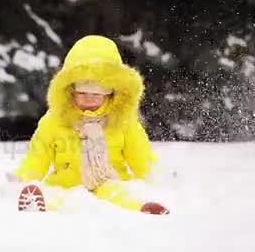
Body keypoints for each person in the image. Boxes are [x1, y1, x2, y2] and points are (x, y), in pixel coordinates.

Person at [11, 35, 169, 215]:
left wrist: (153, 179)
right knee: (57, 196)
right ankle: (37, 204)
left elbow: (141, 156)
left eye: (96, 95)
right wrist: (25, 179)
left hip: (108, 181)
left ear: (110, 94)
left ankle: (143, 207)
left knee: (119, 195)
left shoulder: (122, 121)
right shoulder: (55, 120)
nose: (88, 100)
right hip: (67, 183)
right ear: (71, 90)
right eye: (83, 93)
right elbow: (37, 157)